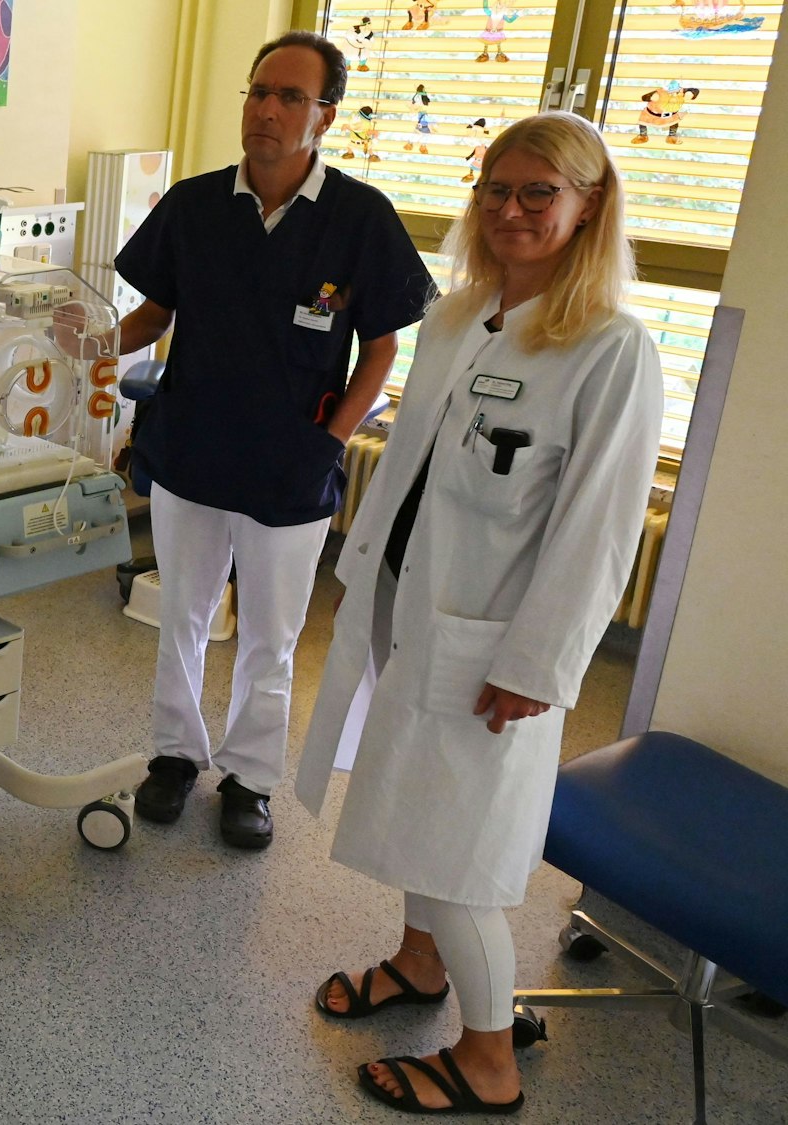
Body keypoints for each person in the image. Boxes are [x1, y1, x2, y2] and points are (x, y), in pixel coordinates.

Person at [295, 112, 663, 1115]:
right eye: (496, 189)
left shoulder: (610, 349)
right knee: (419, 808)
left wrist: (536, 665)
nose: (511, 210)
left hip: (495, 643)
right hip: (415, 607)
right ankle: (419, 964)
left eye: (539, 193)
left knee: (460, 855)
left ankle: (488, 1057)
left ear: (588, 206)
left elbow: (597, 533)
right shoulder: (460, 316)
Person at [57, 31, 432, 849]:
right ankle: (174, 756)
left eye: (290, 96)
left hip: (291, 463)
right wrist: (93, 343)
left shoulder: (359, 219)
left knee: (271, 634)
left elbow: (381, 348)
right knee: (181, 615)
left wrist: (331, 440)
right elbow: (155, 314)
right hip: (192, 448)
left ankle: (251, 779)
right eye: (258, 91)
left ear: (325, 116)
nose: (266, 109)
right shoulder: (195, 205)